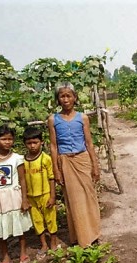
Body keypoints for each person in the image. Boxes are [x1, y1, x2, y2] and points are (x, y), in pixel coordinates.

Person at [47, 82, 101, 248]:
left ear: (75, 98)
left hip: (82, 159)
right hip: (66, 162)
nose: (65, 99)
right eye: (62, 96)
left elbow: (89, 143)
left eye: (68, 96)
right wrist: (56, 169)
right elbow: (54, 146)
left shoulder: (82, 118)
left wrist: (95, 165)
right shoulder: (53, 119)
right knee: (73, 200)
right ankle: (80, 236)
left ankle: (93, 234)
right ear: (58, 99)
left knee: (88, 196)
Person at [0, 124, 32, 263]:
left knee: (19, 226)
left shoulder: (17, 158)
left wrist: (25, 198)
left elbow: (22, 179)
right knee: (0, 228)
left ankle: (23, 253)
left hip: (14, 196)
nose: (7, 142)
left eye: (10, 139)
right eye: (4, 139)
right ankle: (5, 255)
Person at [23, 126, 58, 259]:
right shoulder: (23, 161)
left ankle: (53, 243)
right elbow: (22, 180)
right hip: (31, 197)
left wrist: (52, 196)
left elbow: (51, 177)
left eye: (35, 142)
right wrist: (24, 198)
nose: (32, 146)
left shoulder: (46, 159)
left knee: (50, 219)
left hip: (45, 195)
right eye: (29, 143)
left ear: (41, 142)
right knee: (37, 222)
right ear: (25, 144)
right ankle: (43, 244)